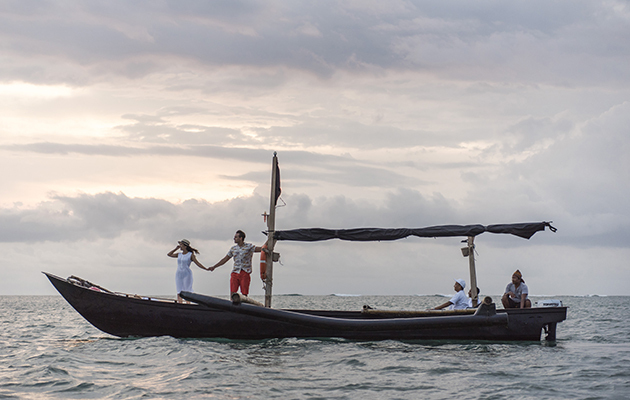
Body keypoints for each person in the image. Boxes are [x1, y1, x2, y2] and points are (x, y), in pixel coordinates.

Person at [209, 230, 264, 296]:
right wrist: (214, 266)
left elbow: (260, 249)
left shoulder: (249, 246)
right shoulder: (233, 249)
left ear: (241, 238)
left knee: (244, 293)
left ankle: (244, 305)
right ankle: (232, 304)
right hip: (235, 272)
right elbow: (225, 259)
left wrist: (268, 244)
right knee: (233, 292)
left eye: (236, 237)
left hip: (245, 272)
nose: (234, 238)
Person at [167, 239, 207, 303]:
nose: (180, 246)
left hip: (187, 274)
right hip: (179, 274)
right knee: (179, 291)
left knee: (187, 291)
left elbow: (197, 263)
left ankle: (188, 304)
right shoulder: (179, 254)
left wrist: (205, 268)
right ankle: (180, 304)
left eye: (181, 245)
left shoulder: (190, 255)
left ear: (185, 246)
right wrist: (176, 248)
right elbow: (169, 254)